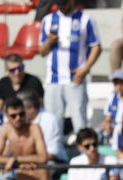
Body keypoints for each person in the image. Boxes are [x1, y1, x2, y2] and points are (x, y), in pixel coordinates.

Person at [38, 0, 101, 133]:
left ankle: (82, 152)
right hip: (53, 80)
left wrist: (85, 68)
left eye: (64, 3)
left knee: (80, 124)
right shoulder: (48, 20)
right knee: (53, 125)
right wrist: (49, 41)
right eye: (59, 4)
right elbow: (42, 52)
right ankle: (55, 153)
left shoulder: (86, 19)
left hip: (75, 79)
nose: (62, 6)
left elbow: (96, 46)